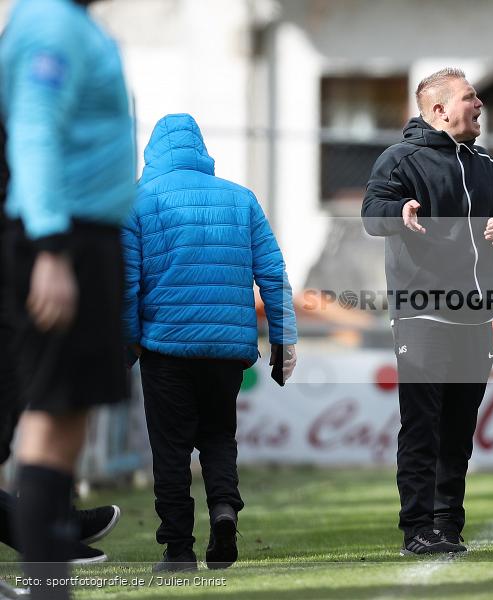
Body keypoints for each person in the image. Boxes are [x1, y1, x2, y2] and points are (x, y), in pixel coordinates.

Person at [122, 113, 298, 572]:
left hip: (165, 346)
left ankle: (178, 549)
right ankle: (224, 510)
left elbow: (127, 282)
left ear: (153, 151)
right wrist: (283, 341)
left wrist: (126, 343)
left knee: (171, 450)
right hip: (226, 350)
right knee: (219, 436)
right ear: (200, 148)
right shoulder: (241, 200)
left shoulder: (138, 203)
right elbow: (274, 276)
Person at [0, 0, 135, 597]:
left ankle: (51, 585)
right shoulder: (52, 23)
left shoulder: (76, 25)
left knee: (66, 422)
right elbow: (33, 125)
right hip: (62, 238)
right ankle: (48, 587)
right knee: (49, 419)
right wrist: (51, 246)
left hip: (87, 237)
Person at [362, 67, 493, 555]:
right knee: (422, 425)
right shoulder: (400, 159)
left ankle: (448, 524)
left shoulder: (485, 163)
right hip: (423, 314)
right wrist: (400, 211)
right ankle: (417, 528)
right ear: (439, 110)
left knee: (458, 430)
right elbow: (372, 213)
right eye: (471, 98)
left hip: (477, 315)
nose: (479, 106)